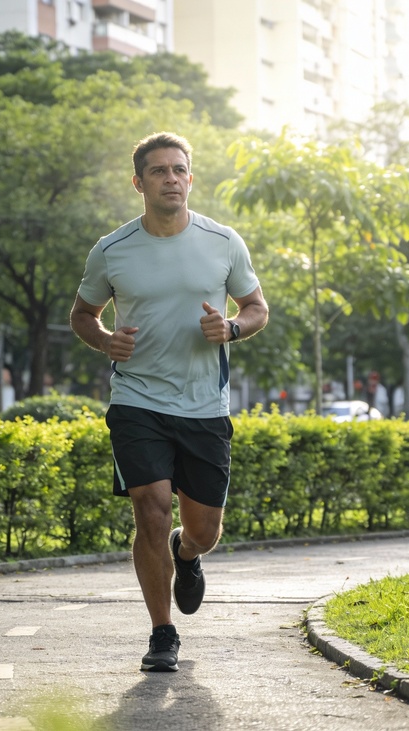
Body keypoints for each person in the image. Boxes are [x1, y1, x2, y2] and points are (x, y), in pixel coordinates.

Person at [70, 132, 269, 672]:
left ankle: (187, 552)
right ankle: (163, 633)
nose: (171, 179)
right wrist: (105, 340)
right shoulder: (112, 249)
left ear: (191, 178)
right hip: (137, 400)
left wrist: (231, 328)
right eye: (158, 171)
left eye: (179, 170)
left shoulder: (223, 241)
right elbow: (83, 315)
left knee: (205, 531)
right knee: (151, 510)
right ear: (139, 183)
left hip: (204, 405)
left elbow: (256, 307)